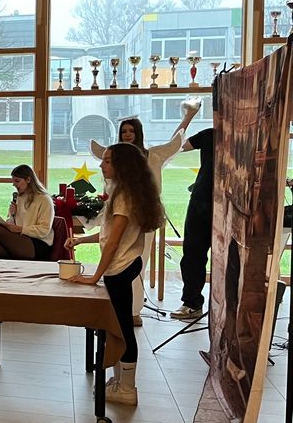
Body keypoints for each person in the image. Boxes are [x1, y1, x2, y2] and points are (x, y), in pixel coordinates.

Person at [66, 142, 165, 405]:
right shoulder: (125, 192)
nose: (101, 164)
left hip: (120, 266)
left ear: (123, 166)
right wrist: (82, 240)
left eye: (108, 160)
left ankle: (127, 389)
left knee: (121, 329)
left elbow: (113, 243)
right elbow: (109, 232)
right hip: (124, 264)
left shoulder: (124, 197)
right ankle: (120, 382)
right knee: (118, 326)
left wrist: (94, 277)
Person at [90, 102, 202, 325]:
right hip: (118, 214)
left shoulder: (152, 156)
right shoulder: (114, 158)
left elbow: (174, 145)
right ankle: (117, 308)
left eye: (131, 131)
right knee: (115, 261)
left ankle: (133, 311)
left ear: (138, 133)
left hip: (141, 218)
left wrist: (188, 117)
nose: (127, 134)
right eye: (124, 131)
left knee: (136, 262)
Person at [172, 126, 214, 320]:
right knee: (192, 254)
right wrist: (187, 118)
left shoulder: (247, 136)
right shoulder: (209, 135)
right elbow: (175, 147)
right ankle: (192, 302)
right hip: (201, 201)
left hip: (232, 204)